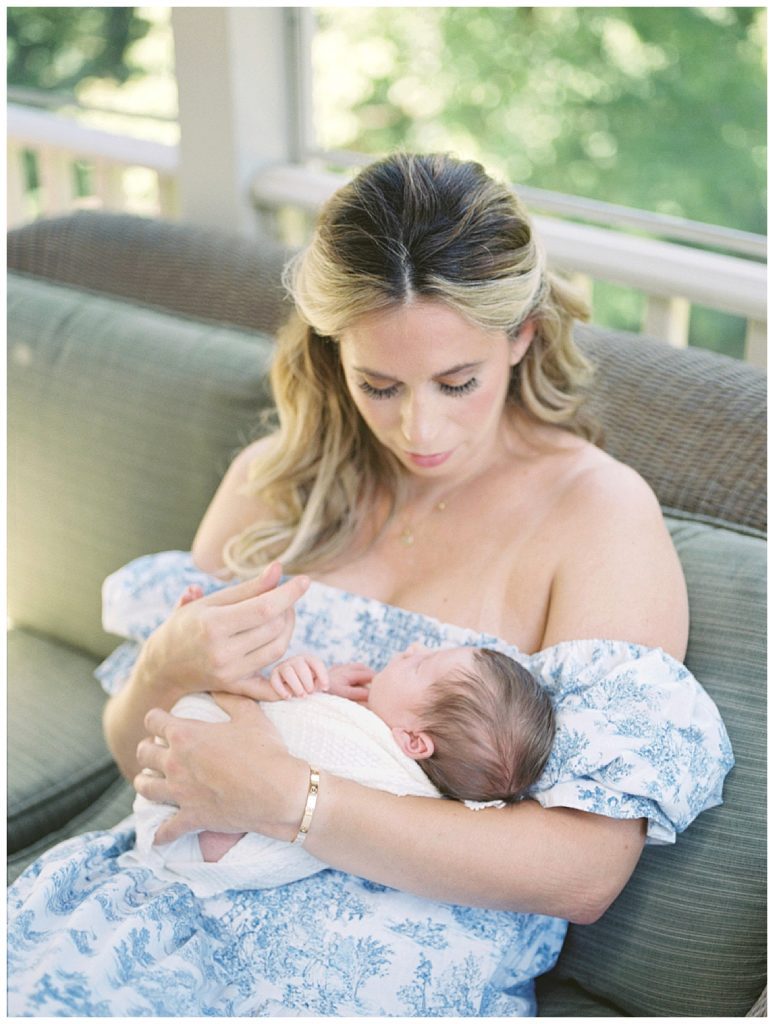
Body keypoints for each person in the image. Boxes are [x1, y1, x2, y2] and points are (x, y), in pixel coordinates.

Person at [8, 153, 733, 1017]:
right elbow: (147, 762)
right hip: (160, 909)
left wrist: (295, 799)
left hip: (372, 970)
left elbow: (583, 874)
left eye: (456, 382)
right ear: (333, 352)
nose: (418, 429)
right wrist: (165, 669)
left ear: (522, 336)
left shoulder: (596, 515)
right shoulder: (274, 483)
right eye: (378, 384)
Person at [129, 587, 555, 888]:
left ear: (414, 743)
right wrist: (311, 680)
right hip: (199, 793)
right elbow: (302, 721)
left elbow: (296, 731)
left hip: (225, 842)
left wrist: (290, 692)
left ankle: (190, 666)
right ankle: (183, 662)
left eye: (421, 666)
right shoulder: (368, 720)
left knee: (215, 699)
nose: (414, 649)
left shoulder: (392, 778)